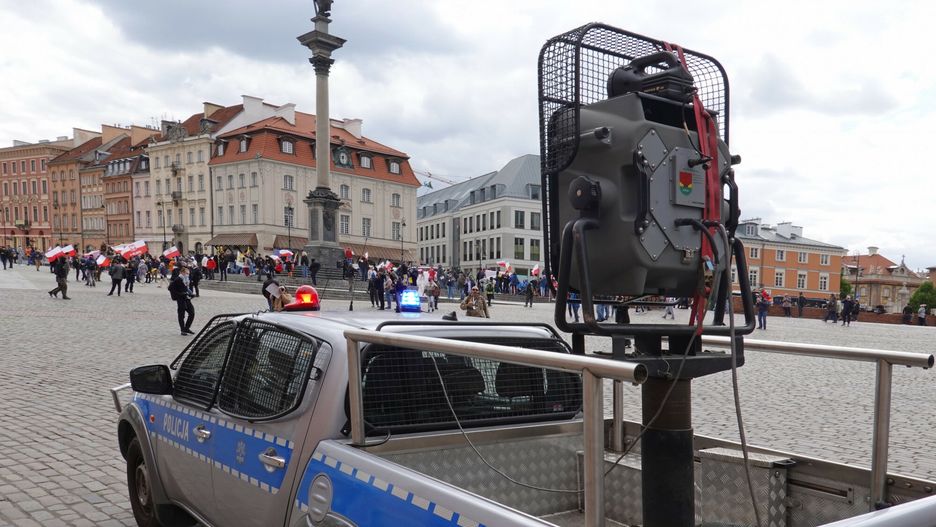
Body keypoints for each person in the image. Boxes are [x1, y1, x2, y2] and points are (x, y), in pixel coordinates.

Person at [168, 268, 195, 336]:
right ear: (182, 273)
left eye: (188, 273)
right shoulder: (178, 279)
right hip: (180, 299)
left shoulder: (186, 280)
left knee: (192, 313)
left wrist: (190, 294)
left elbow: (186, 288)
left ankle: (187, 328)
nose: (188, 275)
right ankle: (182, 330)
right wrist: (179, 294)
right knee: (181, 315)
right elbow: (170, 288)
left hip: (187, 298)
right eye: (187, 273)